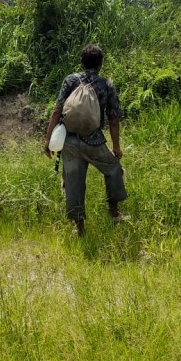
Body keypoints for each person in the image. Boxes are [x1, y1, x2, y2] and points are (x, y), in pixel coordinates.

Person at [44, 44, 127, 236]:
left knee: (74, 182)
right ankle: (114, 213)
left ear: (81, 63)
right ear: (100, 64)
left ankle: (79, 227)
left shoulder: (70, 80)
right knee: (113, 169)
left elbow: (57, 111)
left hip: (70, 142)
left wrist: (48, 140)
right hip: (94, 141)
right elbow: (114, 119)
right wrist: (116, 147)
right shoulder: (106, 85)